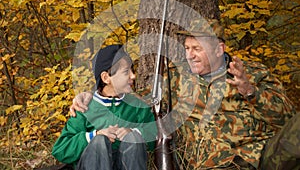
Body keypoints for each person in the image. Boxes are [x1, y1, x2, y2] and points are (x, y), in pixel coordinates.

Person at [70, 20, 298, 169]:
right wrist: (92, 96)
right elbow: (135, 99)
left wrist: (250, 91)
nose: (190, 55)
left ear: (219, 49)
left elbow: (286, 117)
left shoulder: (254, 73)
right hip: (214, 162)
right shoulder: (177, 78)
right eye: (187, 48)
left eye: (197, 49)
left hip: (259, 153)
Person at [52, 45, 156, 170]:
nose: (133, 76)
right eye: (125, 72)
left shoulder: (138, 106)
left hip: (127, 164)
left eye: (132, 71)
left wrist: (135, 133)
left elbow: (154, 136)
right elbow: (60, 150)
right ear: (106, 78)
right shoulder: (85, 108)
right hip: (92, 164)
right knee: (100, 141)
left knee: (133, 138)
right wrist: (93, 135)